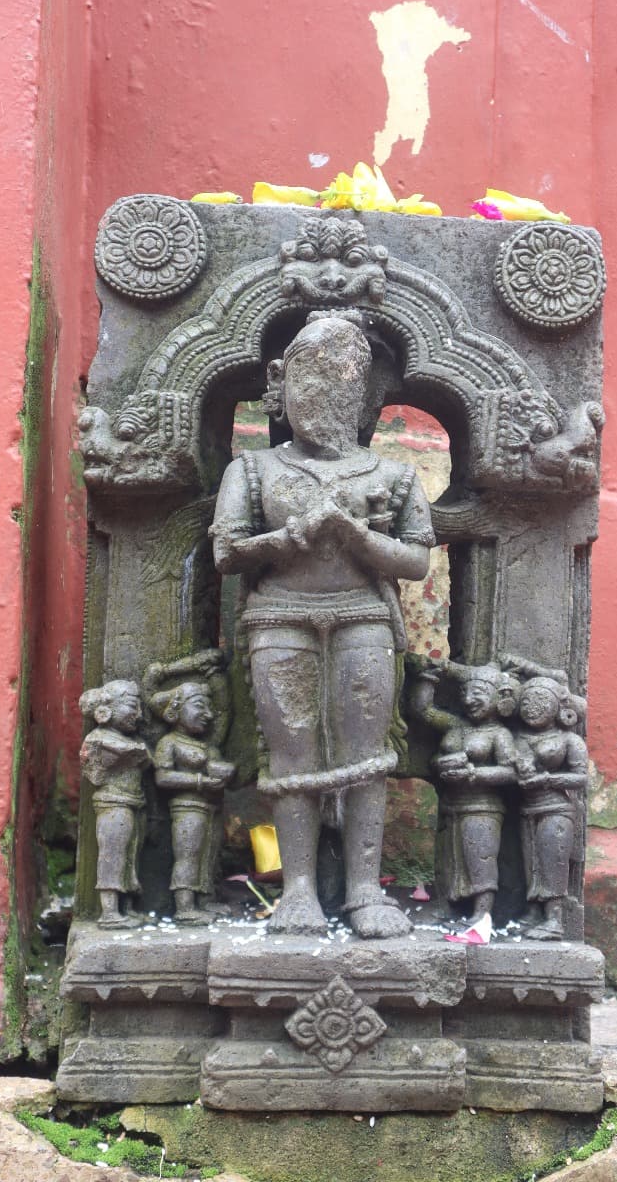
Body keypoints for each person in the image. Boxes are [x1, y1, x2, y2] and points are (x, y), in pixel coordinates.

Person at [210, 312, 434, 938]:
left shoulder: (390, 475)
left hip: (364, 617)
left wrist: (354, 534)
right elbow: (227, 553)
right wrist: (293, 535)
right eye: (308, 382)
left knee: (367, 754)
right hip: (280, 617)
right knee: (292, 751)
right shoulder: (254, 470)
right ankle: (299, 889)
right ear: (279, 385)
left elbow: (415, 561)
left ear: (363, 396)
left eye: (339, 385)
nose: (321, 399)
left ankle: (364, 890)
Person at [410, 659, 518, 919]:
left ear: (497, 698)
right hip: (451, 805)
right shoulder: (456, 726)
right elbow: (423, 711)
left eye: (478, 693)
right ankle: (449, 908)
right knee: (450, 862)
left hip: (482, 805)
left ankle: (482, 915)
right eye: (465, 693)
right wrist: (428, 676)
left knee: (480, 859)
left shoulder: (498, 734)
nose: (469, 700)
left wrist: (472, 774)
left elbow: (510, 772)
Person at [508, 664, 588, 940]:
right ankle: (534, 912)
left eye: (541, 701)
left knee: (552, 861)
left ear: (558, 708)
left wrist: (547, 780)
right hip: (527, 808)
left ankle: (554, 919)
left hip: (557, 808)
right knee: (531, 863)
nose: (533, 708)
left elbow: (580, 778)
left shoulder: (569, 740)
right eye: (527, 702)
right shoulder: (516, 738)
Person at [149, 679, 235, 924]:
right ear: (176, 709)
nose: (208, 714)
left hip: (211, 808)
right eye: (199, 706)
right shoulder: (170, 742)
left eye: (209, 707)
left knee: (209, 855)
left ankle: (205, 900)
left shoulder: (205, 745)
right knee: (188, 855)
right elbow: (163, 777)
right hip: (187, 808)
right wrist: (200, 781)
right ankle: (184, 907)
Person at [79, 680, 150, 929]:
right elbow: (99, 768)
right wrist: (134, 750)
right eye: (132, 706)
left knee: (130, 857)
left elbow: (143, 756)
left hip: (132, 803)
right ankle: (109, 912)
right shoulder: (99, 739)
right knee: (113, 854)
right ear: (106, 711)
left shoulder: (124, 739)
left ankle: (126, 908)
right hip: (113, 805)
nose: (138, 715)